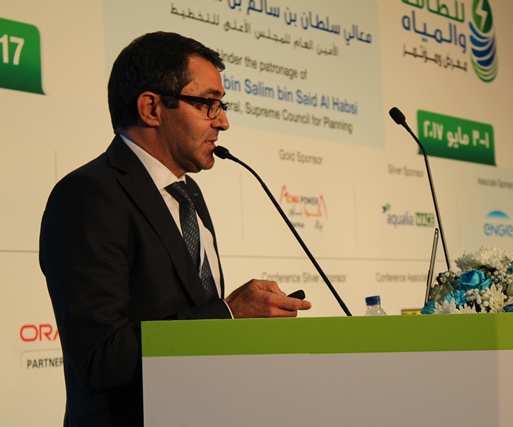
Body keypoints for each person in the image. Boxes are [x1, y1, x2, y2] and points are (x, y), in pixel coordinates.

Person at [39, 31, 311, 427]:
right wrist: (229, 314)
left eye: (222, 105)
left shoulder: (188, 194)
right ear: (151, 108)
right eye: (208, 104)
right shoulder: (88, 194)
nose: (223, 121)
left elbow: (191, 315)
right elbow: (100, 357)